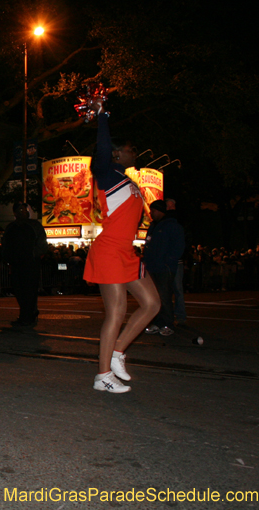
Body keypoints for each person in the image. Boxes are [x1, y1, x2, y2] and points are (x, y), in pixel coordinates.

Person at [83, 105, 160, 393]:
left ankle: (116, 354)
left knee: (152, 303)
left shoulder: (127, 180)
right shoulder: (106, 174)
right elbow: (102, 146)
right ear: (116, 154)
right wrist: (103, 114)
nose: (134, 151)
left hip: (126, 251)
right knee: (116, 313)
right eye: (130, 148)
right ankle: (102, 376)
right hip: (109, 250)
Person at [141, 200, 185, 336]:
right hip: (153, 267)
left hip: (163, 267)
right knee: (155, 297)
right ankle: (158, 322)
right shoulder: (154, 226)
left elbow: (179, 245)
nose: (151, 213)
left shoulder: (171, 225)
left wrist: (168, 261)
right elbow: (148, 245)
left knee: (164, 296)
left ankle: (167, 323)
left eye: (153, 210)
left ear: (160, 211)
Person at [2, 202, 48, 326]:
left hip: (30, 264)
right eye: (20, 210)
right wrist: (8, 259)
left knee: (30, 290)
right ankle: (26, 313)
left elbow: (42, 244)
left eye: (25, 209)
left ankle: (28, 315)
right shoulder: (11, 227)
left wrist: (34, 254)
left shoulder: (35, 225)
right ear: (15, 213)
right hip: (17, 264)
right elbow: (5, 245)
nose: (24, 212)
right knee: (19, 289)